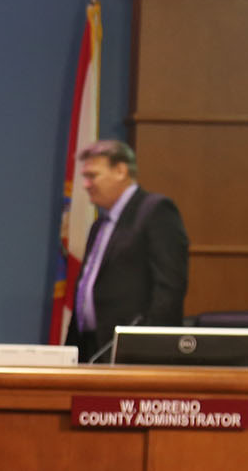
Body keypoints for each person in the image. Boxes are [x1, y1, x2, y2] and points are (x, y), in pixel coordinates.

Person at [68, 138, 189, 360]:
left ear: (121, 171)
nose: (86, 184)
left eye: (92, 175)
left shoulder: (156, 211)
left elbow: (170, 287)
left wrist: (146, 344)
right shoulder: (100, 226)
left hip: (134, 351)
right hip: (92, 348)